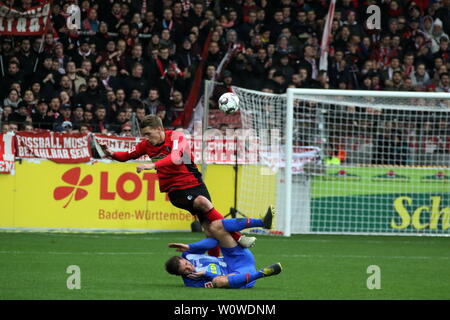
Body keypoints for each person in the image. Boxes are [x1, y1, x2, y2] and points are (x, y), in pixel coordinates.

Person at [99, 115, 264, 255]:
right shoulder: (145, 145)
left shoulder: (177, 137)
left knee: (212, 229)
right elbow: (127, 155)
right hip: (175, 189)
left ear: (159, 129)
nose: (146, 138)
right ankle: (239, 237)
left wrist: (152, 166)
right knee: (203, 203)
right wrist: (111, 153)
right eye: (144, 135)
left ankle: (215, 262)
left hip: (195, 183)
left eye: (148, 134)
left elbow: (176, 156)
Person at [165, 213, 281, 289]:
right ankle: (262, 273)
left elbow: (214, 242)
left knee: (216, 226)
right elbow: (216, 284)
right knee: (218, 282)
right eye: (185, 270)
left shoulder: (188, 255)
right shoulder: (192, 282)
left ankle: (261, 223)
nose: (189, 267)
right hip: (241, 276)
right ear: (180, 274)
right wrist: (206, 274)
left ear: (183, 259)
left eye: (186, 264)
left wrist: (190, 247)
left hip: (237, 258)